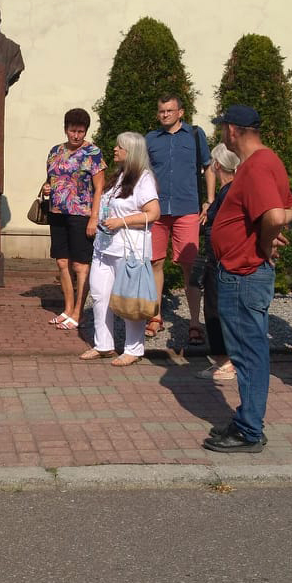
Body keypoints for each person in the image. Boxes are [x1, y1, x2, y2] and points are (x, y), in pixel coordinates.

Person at [202, 105, 292, 454]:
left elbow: (276, 214)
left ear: (232, 130)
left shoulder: (256, 166)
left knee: (247, 355)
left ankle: (249, 431)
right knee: (249, 353)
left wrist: (264, 239)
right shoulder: (266, 161)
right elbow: (290, 206)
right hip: (244, 271)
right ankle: (247, 419)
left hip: (243, 273)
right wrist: (268, 232)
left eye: (222, 128)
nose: (221, 134)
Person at [81, 132, 160, 366]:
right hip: (105, 247)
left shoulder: (144, 179)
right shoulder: (118, 176)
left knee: (129, 298)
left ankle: (133, 349)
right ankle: (103, 345)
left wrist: (122, 221)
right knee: (99, 295)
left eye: (120, 146)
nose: (115, 149)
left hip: (129, 250)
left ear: (131, 151)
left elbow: (153, 213)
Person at [144, 94, 215, 342]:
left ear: (180, 112)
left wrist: (210, 200)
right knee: (155, 263)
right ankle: (155, 317)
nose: (165, 115)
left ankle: (194, 323)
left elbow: (209, 167)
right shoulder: (150, 139)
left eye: (169, 110)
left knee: (190, 267)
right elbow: (143, 173)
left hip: (187, 209)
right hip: (157, 210)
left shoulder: (195, 135)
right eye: (161, 111)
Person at [42, 108, 105, 332]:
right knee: (62, 262)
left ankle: (79, 312)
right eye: (72, 131)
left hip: (82, 214)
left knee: (80, 265)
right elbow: (51, 178)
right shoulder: (55, 151)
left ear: (86, 131)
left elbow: (99, 188)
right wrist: (47, 187)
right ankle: (67, 309)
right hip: (57, 213)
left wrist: (94, 218)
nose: (76, 135)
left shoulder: (93, 153)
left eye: (80, 131)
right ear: (65, 129)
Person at [187, 142, 240, 381]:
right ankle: (223, 360)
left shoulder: (230, 192)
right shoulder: (225, 192)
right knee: (214, 308)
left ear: (217, 165)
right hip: (216, 258)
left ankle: (227, 361)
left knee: (217, 310)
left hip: (221, 260)